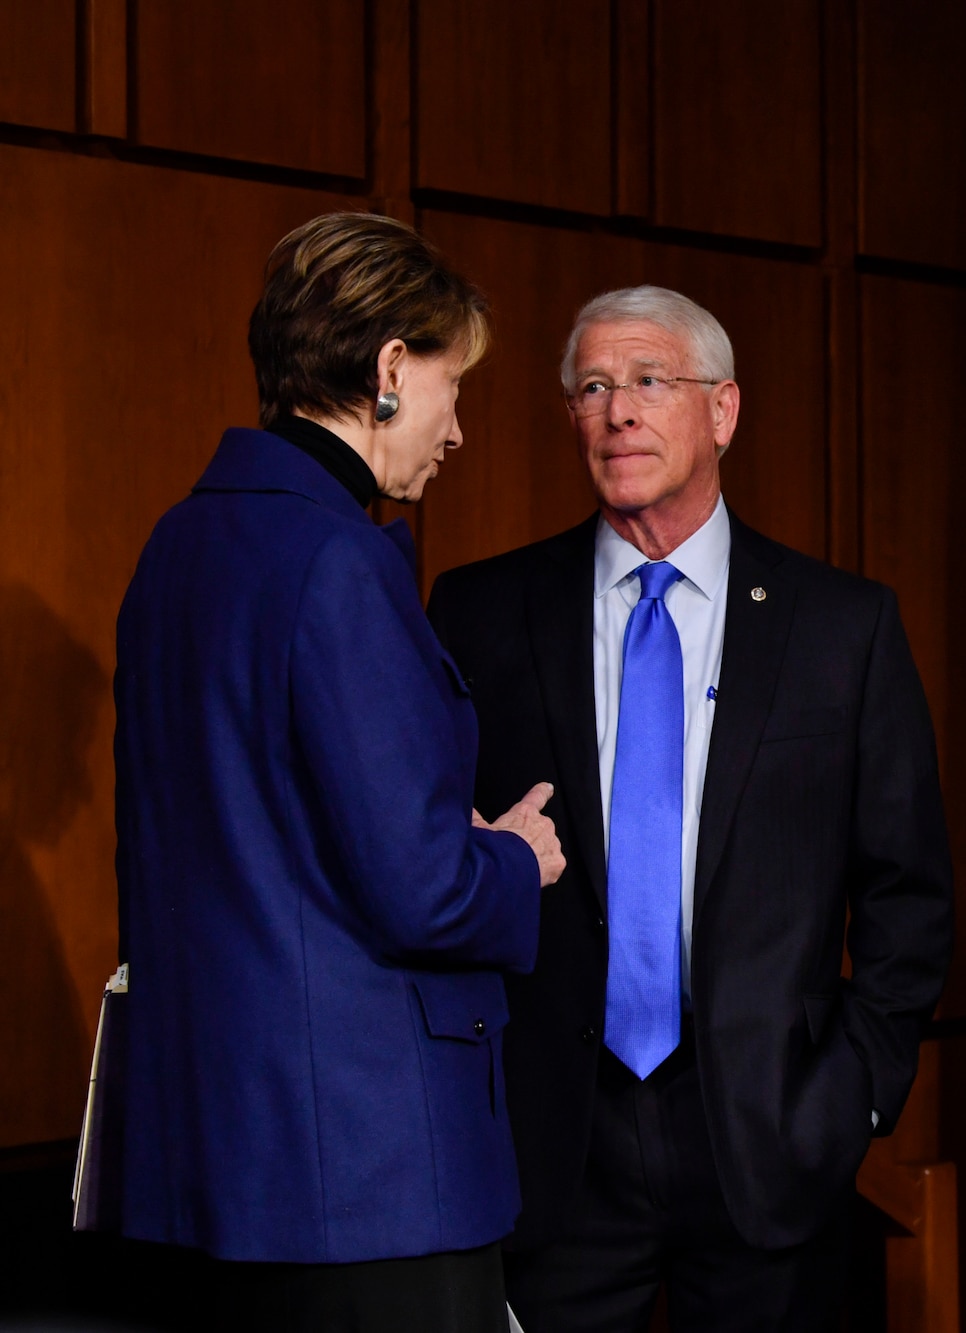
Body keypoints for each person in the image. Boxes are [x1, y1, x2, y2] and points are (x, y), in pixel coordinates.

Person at [426, 285, 954, 1331]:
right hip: (553, 1148)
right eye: (592, 386)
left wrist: (848, 1098)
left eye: (649, 381)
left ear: (722, 411)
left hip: (768, 1138)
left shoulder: (840, 627)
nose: (618, 410)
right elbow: (431, 856)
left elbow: (910, 893)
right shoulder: (480, 611)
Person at [114, 212, 565, 1329]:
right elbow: (422, 888)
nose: (457, 432)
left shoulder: (174, 546)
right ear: (391, 371)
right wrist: (513, 858)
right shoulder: (339, 562)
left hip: (215, 1166)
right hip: (370, 1176)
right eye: (455, 386)